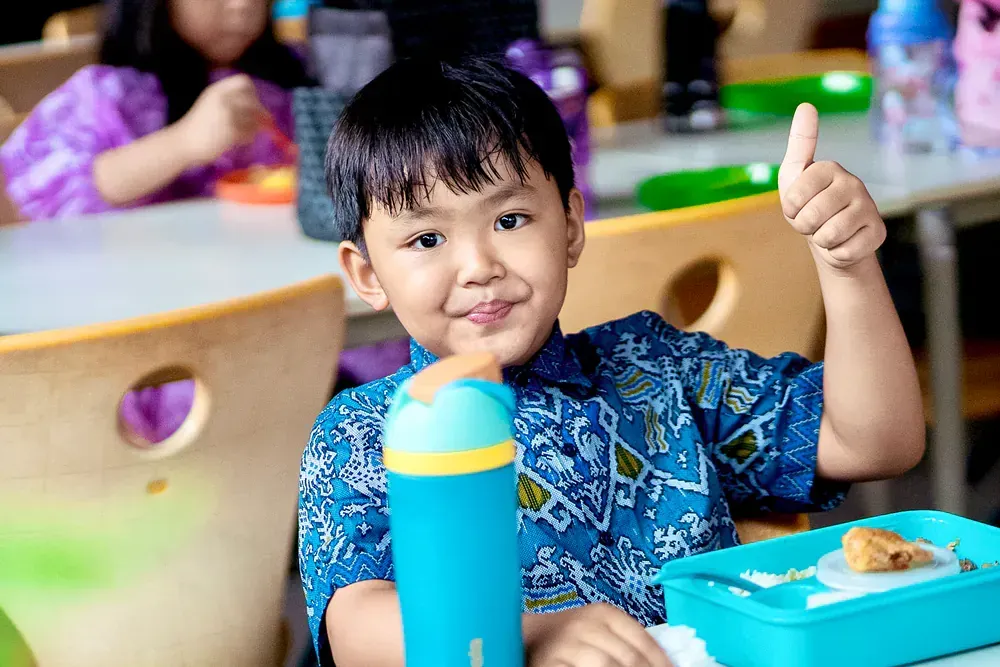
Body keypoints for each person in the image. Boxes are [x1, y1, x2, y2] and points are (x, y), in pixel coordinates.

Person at [297, 57, 925, 667]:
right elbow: (357, 623)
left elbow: (874, 443)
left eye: (510, 219)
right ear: (367, 273)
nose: (479, 267)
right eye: (427, 239)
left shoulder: (656, 368)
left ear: (570, 225)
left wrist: (847, 267)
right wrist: (533, 638)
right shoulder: (360, 434)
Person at [1, 0, 310, 221]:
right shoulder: (107, 95)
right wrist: (183, 142)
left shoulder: (293, 80)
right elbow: (36, 190)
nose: (243, 4)